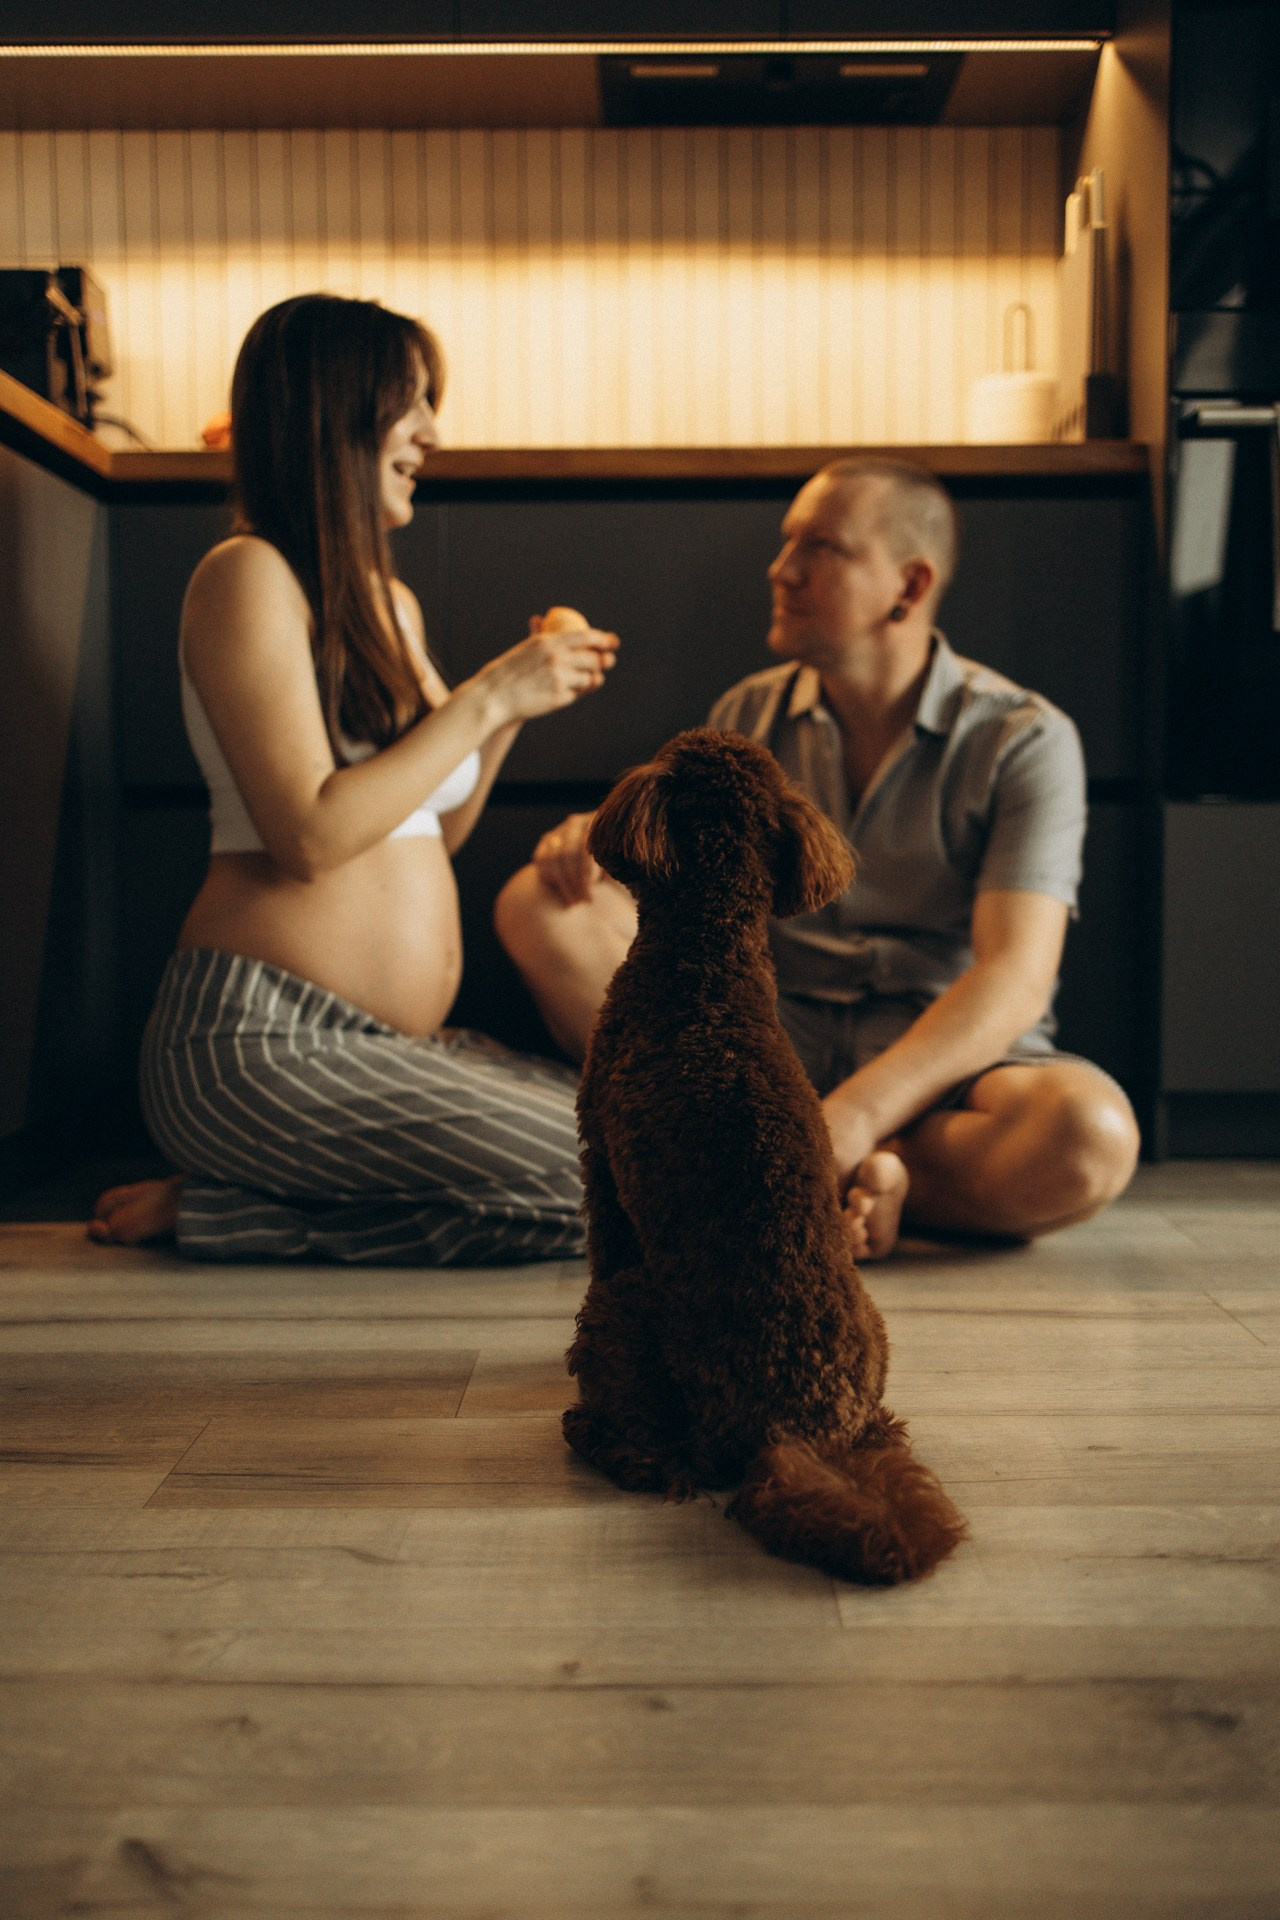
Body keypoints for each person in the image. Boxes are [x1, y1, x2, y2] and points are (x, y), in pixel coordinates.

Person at [495, 457, 1141, 1260]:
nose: (781, 568)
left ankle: (823, 1174)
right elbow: (688, 902)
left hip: (936, 1059)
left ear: (908, 586)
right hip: (773, 1031)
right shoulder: (749, 712)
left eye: (822, 547)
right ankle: (848, 1186)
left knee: (1090, 1137)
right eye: (787, 540)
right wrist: (599, 840)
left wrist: (857, 1117)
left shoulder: (1025, 738)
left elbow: (1014, 975)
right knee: (541, 903)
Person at [90, 292, 618, 1264]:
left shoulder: (391, 605)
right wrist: (491, 697)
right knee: (611, 1189)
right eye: (410, 404)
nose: (431, 433)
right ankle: (224, 1214)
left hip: (390, 1056)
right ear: (329, 413)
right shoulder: (246, 575)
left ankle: (247, 1195)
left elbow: (427, 836)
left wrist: (513, 705)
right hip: (258, 1047)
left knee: (645, 1142)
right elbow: (310, 838)